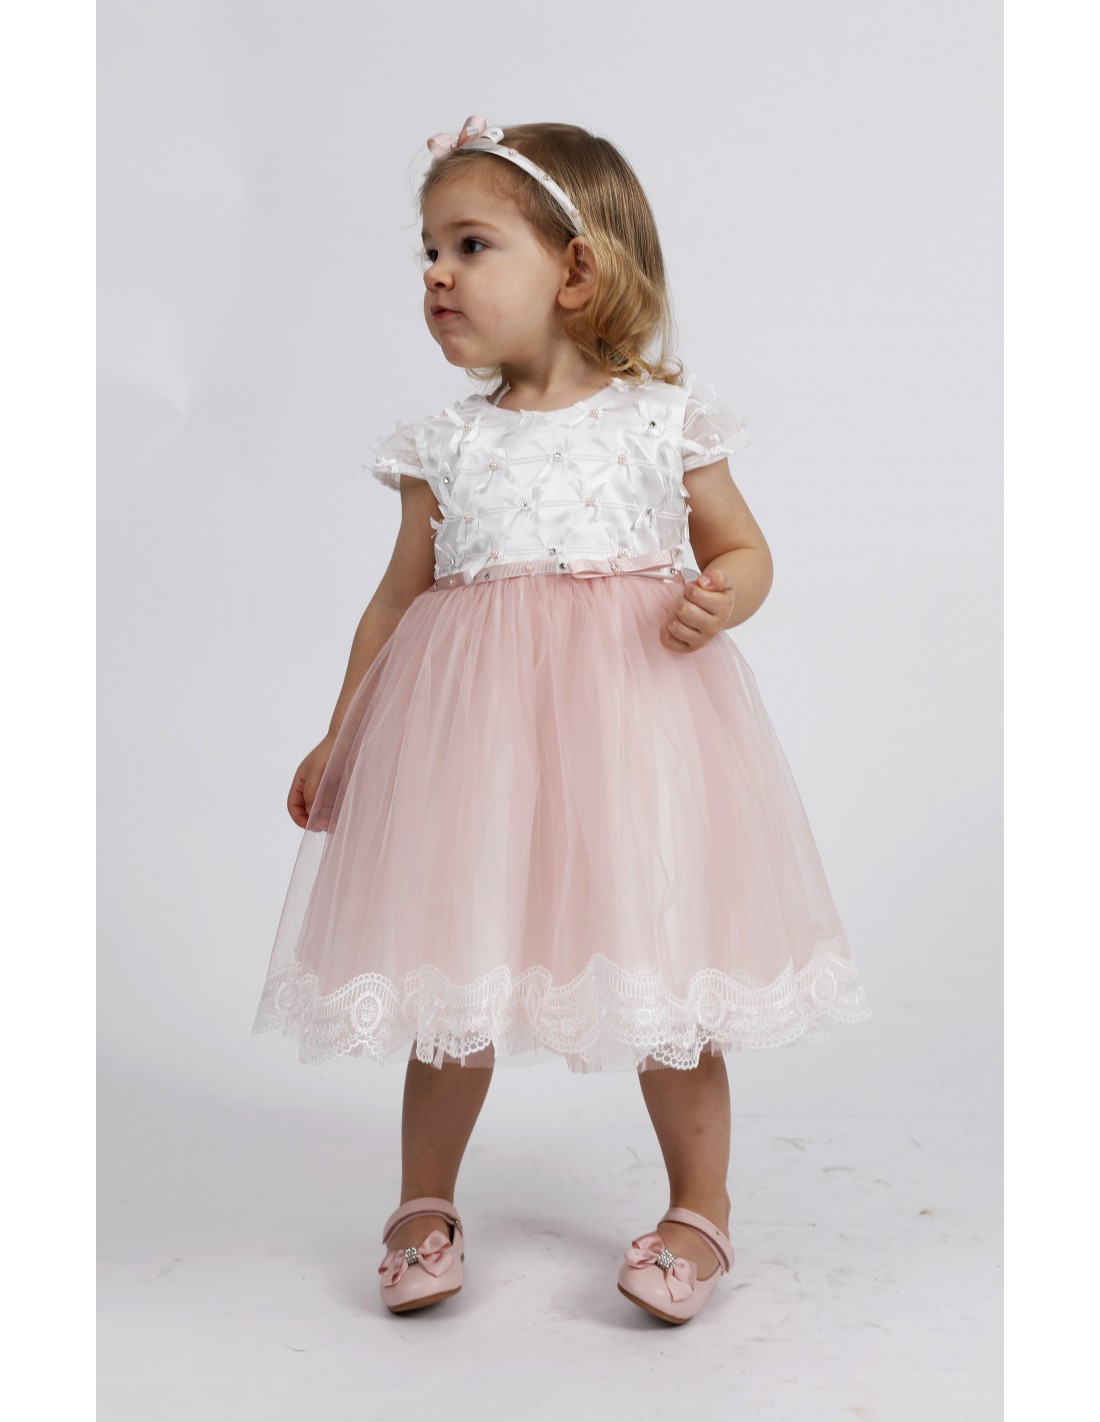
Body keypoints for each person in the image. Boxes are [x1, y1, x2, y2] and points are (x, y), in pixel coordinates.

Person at [252, 116, 870, 1324]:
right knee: (453, 970)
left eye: (469, 245)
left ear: (575, 269)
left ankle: (699, 1208)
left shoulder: (662, 422)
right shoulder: (444, 446)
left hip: (637, 740)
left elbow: (742, 548)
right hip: (473, 752)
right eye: (427, 252)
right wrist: (342, 734)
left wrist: (724, 594)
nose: (436, 274)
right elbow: (395, 601)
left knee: (667, 979)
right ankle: (422, 1203)